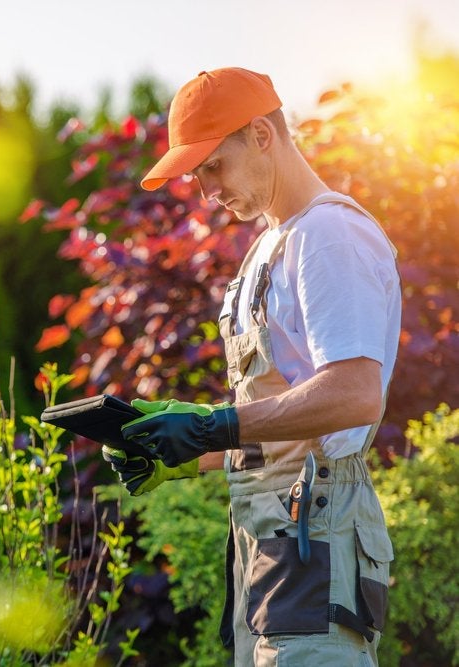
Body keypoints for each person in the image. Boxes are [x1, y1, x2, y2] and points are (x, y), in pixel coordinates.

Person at [102, 67, 401, 666]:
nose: (206, 189)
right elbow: (272, 421)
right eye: (196, 174)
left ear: (262, 135)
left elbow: (355, 394)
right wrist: (182, 448)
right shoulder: (270, 245)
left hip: (316, 539)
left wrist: (216, 424)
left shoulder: (330, 235)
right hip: (267, 549)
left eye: (214, 165)